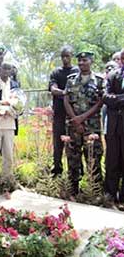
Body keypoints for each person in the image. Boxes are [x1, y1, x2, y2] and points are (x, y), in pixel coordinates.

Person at [64, 51, 104, 197]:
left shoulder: (99, 80)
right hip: (73, 127)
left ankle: (95, 192)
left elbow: (100, 102)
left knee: (94, 158)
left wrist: (82, 118)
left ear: (91, 61)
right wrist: (75, 119)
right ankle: (73, 190)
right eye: (79, 61)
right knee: (73, 158)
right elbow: (66, 100)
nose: (81, 63)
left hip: (92, 127)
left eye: (84, 60)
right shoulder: (71, 80)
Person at [48, 45, 79, 176]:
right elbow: (53, 89)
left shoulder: (77, 71)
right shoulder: (56, 72)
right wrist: (65, 93)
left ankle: (76, 171)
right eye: (63, 56)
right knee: (58, 142)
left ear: (72, 56)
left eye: (67, 56)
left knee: (75, 143)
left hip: (74, 113)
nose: (65, 59)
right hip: (59, 113)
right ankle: (57, 170)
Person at [103, 51, 124, 204]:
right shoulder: (112, 75)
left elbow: (111, 99)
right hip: (113, 127)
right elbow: (105, 97)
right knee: (111, 161)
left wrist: (115, 98)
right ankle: (110, 194)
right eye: (122, 58)